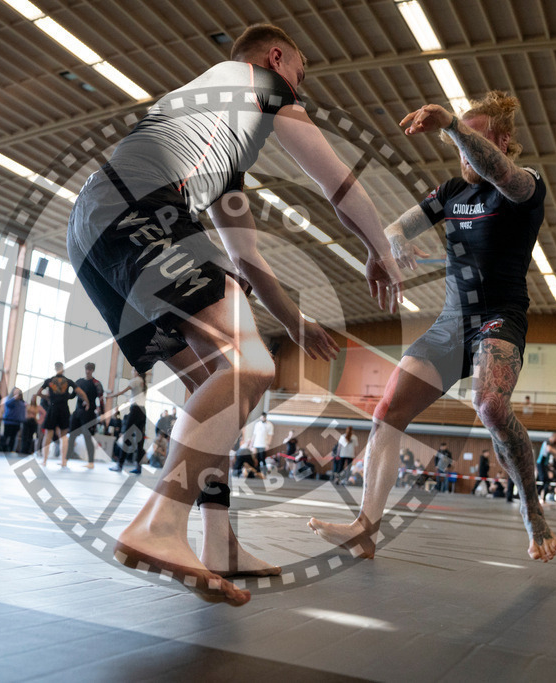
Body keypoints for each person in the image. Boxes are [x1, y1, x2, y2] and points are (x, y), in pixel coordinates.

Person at [67, 23, 401, 604]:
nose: (301, 86)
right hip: (138, 207)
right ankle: (159, 524)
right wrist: (381, 250)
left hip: (95, 228)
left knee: (217, 386)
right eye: (300, 72)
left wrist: (296, 324)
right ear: (277, 57)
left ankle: (219, 543)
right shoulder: (263, 84)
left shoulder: (223, 145)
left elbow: (248, 259)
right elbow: (339, 185)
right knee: (249, 365)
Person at [309, 90, 556, 563]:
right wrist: (395, 243)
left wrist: (452, 126)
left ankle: (531, 505)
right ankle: (365, 530)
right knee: (387, 411)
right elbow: (395, 227)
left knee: (490, 407)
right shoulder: (450, 193)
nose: (462, 152)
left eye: (473, 140)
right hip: (451, 324)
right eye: (458, 144)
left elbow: (499, 172)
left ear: (503, 141)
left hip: (499, 318)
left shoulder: (525, 186)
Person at [36, 363, 79, 466]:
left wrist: (48, 398)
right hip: (63, 408)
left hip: (53, 408)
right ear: (62, 369)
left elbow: (39, 392)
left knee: (48, 434)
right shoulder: (68, 381)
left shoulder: (50, 381)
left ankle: (44, 460)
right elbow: (78, 392)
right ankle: (63, 461)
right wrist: (83, 400)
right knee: (63, 436)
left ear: (55, 369)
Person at [108, 371, 149, 474]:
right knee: (140, 440)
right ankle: (138, 467)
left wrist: (110, 396)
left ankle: (120, 465)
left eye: (133, 370)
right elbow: (133, 397)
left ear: (136, 371)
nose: (131, 372)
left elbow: (122, 392)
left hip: (135, 411)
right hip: (143, 411)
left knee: (127, 437)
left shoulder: (135, 380)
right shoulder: (143, 383)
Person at [66, 362, 103, 469]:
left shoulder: (97, 384)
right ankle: (66, 459)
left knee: (87, 437)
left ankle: (91, 462)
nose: (88, 371)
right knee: (71, 436)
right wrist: (62, 393)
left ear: (93, 370)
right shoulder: (79, 382)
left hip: (89, 414)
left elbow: (101, 399)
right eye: (87, 369)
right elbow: (72, 396)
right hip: (77, 412)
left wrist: (102, 414)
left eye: (90, 369)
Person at [1, 387, 26, 452]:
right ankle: (3, 450)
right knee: (6, 437)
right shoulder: (9, 399)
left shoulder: (21, 402)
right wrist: (14, 398)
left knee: (13, 438)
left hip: (17, 422)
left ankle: (10, 450)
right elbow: (7, 404)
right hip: (9, 422)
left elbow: (23, 412)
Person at [537, 433, 556, 501]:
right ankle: (537, 496)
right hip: (541, 463)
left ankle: (542, 497)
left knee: (546, 481)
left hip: (544, 464)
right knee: (544, 481)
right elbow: (550, 450)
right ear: (554, 437)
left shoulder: (549, 444)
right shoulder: (547, 442)